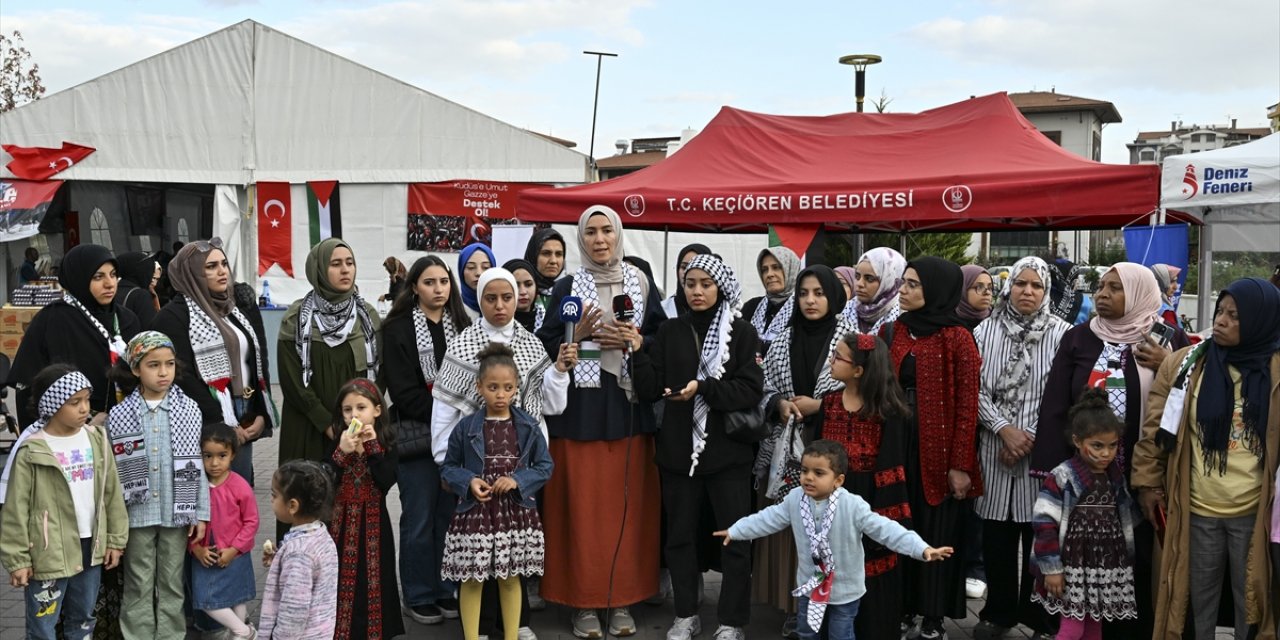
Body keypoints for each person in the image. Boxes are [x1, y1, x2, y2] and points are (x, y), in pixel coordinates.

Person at [1031, 262, 1190, 639]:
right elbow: (1055, 404)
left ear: (1138, 293)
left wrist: (1169, 363)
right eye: (1101, 287)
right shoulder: (1079, 338)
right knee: (1085, 565)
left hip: (1146, 477)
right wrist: (1053, 474)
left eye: (1115, 288)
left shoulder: (1166, 339)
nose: (1102, 295)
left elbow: (1188, 397)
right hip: (1087, 479)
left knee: (1141, 561)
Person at [536, 205, 665, 639]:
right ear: (581, 239)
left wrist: (637, 339)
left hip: (628, 411)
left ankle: (624, 598)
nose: (599, 239)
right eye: (589, 232)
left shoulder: (642, 283)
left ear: (619, 233)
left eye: (606, 230)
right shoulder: (568, 286)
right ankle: (584, 603)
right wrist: (579, 337)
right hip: (581, 413)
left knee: (627, 512)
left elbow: (662, 338)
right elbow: (545, 343)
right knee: (582, 511)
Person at [1131, 277, 1280, 640]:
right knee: (1194, 607)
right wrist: (1148, 483)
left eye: (1235, 315)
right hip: (1195, 509)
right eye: (1220, 312)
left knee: (1254, 607)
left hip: (1254, 512)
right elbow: (1153, 432)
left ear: (1261, 320)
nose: (1222, 321)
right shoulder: (1185, 365)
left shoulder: (1275, 370)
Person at [436, 267, 577, 637]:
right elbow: (445, 411)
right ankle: (478, 630)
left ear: (518, 299)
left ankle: (516, 627)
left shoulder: (531, 344)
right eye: (490, 298)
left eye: (507, 297)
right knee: (477, 566)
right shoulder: (462, 343)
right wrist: (455, 475)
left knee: (512, 563)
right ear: (478, 299)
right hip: (474, 470)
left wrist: (559, 371)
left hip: (519, 467)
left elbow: (551, 404)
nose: (500, 305)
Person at [631, 254, 763, 640]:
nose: (698, 291)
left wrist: (703, 388)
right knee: (680, 538)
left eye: (706, 283)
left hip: (728, 456)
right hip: (678, 453)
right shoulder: (671, 330)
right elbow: (650, 388)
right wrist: (639, 351)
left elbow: (750, 389)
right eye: (691, 284)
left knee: (734, 539)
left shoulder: (741, 332)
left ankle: (731, 621)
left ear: (720, 285)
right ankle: (686, 614)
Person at [717, 440, 954, 640]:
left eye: (818, 473)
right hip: (811, 587)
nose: (808, 478)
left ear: (838, 480)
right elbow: (767, 519)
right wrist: (737, 531)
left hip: (845, 590)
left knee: (840, 634)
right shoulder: (794, 499)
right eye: (804, 470)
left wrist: (921, 548)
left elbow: (886, 529)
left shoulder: (852, 505)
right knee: (807, 632)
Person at [756, 265, 858, 636]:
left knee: (830, 532)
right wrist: (780, 404)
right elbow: (763, 387)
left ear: (833, 296)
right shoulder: (783, 337)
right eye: (803, 293)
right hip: (787, 451)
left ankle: (834, 606)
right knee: (793, 531)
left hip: (833, 450)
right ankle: (795, 607)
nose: (810, 301)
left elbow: (865, 392)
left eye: (819, 293)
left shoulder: (851, 340)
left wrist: (822, 405)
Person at [970, 257, 1068, 640]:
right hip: (994, 448)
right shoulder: (984, 331)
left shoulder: (1062, 334)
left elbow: (1059, 394)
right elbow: (973, 387)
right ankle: (998, 613)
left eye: (1036, 286)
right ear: (1008, 286)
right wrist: (1002, 428)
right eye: (1020, 283)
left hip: (1039, 451)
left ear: (1046, 292)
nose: (1027, 291)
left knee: (1039, 539)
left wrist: (1025, 434)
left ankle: (1041, 619)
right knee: (996, 536)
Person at [885, 257, 983, 640]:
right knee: (898, 524)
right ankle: (903, 607)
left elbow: (967, 406)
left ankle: (934, 616)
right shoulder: (895, 330)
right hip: (897, 443)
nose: (904, 290)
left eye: (913, 284)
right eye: (904, 283)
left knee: (935, 529)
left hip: (938, 450)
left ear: (936, 290)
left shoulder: (957, 337)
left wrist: (960, 464)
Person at [0, 366, 127, 640]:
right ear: (52, 404)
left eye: (87, 400)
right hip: (48, 551)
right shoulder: (32, 449)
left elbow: (112, 493)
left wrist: (116, 540)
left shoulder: (97, 439)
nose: (84, 409)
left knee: (83, 618)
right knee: (43, 625)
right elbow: (15, 510)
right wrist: (18, 559)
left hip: (89, 545)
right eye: (74, 402)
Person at [441, 344, 556, 640]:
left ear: (517, 387)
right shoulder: (465, 428)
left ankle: (511, 636)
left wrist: (518, 479)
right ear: (479, 387)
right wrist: (468, 481)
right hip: (475, 514)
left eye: (507, 387)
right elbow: (448, 467)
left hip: (514, 513)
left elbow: (545, 467)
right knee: (472, 579)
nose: (501, 394)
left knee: (509, 577)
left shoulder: (529, 426)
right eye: (493, 387)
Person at [382, 255, 472, 625]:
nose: (438, 289)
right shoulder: (397, 328)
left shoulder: (464, 324)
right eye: (429, 282)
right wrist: (449, 412)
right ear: (414, 287)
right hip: (417, 438)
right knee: (418, 519)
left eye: (444, 282)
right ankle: (417, 594)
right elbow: (404, 393)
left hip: (456, 441)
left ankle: (444, 589)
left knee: (449, 518)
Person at [107, 331, 211, 639]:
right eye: (154, 365)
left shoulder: (189, 410)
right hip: (136, 512)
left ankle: (170, 635)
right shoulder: (120, 415)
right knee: (138, 582)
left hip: (176, 512)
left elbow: (197, 465)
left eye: (169, 364)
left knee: (171, 581)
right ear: (136, 368)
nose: (163, 372)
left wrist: (201, 513)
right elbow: (113, 472)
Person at [276, 238, 381, 538]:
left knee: (350, 508)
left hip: (354, 428)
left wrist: (359, 420)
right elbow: (292, 381)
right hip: (308, 428)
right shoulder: (296, 319)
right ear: (319, 270)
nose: (345, 270)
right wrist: (327, 424)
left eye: (349, 262)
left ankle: (348, 581)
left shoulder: (368, 318)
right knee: (305, 499)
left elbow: (377, 377)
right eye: (335, 264)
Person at [155, 239, 275, 486]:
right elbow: (181, 376)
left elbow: (254, 361)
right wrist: (222, 421)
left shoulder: (231, 308)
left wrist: (260, 412)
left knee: (239, 493)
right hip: (205, 420)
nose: (222, 271)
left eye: (224, 264)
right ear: (191, 274)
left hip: (242, 412)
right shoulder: (174, 316)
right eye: (210, 267)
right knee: (214, 497)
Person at [821, 332, 916, 640]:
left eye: (838, 357)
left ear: (859, 370)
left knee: (872, 580)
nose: (831, 362)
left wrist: (879, 524)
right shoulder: (829, 403)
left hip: (871, 503)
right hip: (832, 507)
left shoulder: (887, 413)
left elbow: (892, 471)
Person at [1031, 389, 1138, 639]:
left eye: (1112, 446)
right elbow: (1044, 522)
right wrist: (1051, 568)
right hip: (1071, 568)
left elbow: (1128, 518)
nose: (1105, 453)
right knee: (1072, 628)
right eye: (1097, 446)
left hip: (1103, 567)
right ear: (1078, 441)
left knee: (1093, 628)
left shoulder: (1115, 477)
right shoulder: (1063, 476)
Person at [7, 244, 141, 428]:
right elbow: (29, 386)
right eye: (98, 277)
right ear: (79, 278)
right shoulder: (53, 320)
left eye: (113, 275)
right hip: (70, 432)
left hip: (127, 429)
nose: (110, 283)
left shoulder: (127, 319)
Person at [327, 378, 404, 640]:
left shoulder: (386, 443)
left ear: (377, 410)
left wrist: (371, 449)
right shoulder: (337, 441)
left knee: (374, 578)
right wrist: (340, 452)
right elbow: (324, 481)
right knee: (339, 577)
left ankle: (376, 632)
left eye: (361, 408)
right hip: (339, 523)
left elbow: (385, 481)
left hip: (374, 524)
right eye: (348, 410)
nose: (354, 415)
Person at [189, 424, 259, 640]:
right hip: (206, 557)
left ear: (233, 455)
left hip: (234, 555)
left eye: (222, 455)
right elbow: (187, 522)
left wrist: (235, 548)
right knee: (206, 600)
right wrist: (195, 549)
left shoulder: (240, 486)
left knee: (237, 597)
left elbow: (252, 521)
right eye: (207, 456)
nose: (214, 463)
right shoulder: (195, 486)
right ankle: (244, 631)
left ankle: (238, 633)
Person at [259, 460, 340, 640]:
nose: (271, 500)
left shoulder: (299, 552)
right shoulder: (320, 535)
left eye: (274, 495)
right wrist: (279, 559)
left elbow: (294, 611)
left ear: (292, 506)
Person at [741, 246, 801, 352]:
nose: (769, 274)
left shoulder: (801, 309)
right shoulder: (751, 307)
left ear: (791, 269)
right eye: (764, 270)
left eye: (776, 267)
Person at [850, 247, 907, 336]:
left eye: (869, 278)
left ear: (888, 281)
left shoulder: (904, 318)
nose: (859, 284)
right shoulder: (845, 311)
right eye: (857, 276)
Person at [524, 228, 567, 330]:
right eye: (546, 253)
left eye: (559, 254)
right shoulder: (520, 293)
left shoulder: (567, 293)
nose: (553, 261)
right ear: (533, 255)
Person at [660, 243, 714, 319]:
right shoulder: (662, 310)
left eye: (696, 266)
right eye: (684, 267)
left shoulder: (723, 315)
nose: (688, 272)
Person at [113, 251, 160, 330]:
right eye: (148, 271)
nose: (150, 276)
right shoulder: (141, 295)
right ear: (140, 272)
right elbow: (150, 330)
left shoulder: (110, 292)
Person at [1046, 259, 1093, 327]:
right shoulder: (1084, 302)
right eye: (1076, 278)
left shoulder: (1038, 296)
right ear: (1073, 279)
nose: (1077, 282)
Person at [459, 242, 497, 319]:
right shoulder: (453, 310)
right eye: (471, 267)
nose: (478, 273)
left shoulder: (503, 307)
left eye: (485, 267)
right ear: (461, 271)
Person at [504, 258, 543, 332]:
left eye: (528, 284)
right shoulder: (494, 324)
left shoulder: (547, 322)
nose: (523, 292)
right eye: (515, 285)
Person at [956, 264, 994, 332]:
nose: (987, 292)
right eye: (979, 287)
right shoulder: (948, 326)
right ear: (963, 289)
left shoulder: (997, 321)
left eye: (990, 288)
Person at [1150, 263, 1183, 328]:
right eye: (1171, 281)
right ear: (1160, 282)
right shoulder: (1166, 312)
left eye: (1176, 281)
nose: (1175, 287)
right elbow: (1176, 336)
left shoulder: (1144, 305)